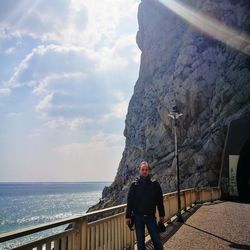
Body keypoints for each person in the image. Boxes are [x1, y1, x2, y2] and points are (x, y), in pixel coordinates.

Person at [126, 161, 165, 250]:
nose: (144, 171)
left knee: (157, 240)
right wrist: (127, 216)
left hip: (151, 217)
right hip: (138, 217)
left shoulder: (154, 184)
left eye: (146, 169)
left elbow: (159, 201)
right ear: (139, 170)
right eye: (143, 169)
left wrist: (162, 215)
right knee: (140, 243)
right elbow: (130, 201)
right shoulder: (134, 184)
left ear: (149, 171)